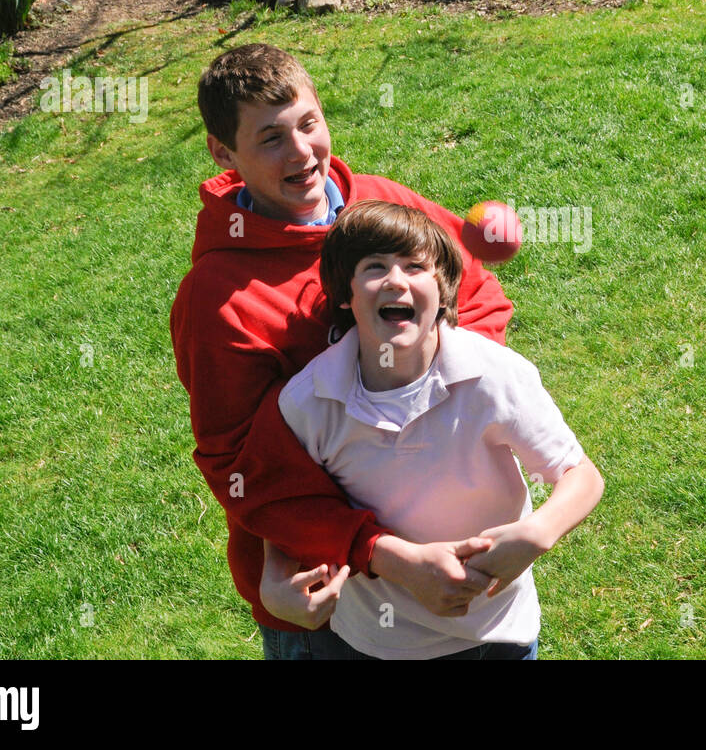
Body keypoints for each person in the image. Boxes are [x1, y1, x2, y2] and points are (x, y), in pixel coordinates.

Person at [169, 43, 514, 658]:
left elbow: (479, 294)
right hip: (326, 594)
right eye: (270, 139)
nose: (303, 154)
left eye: (308, 124)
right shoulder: (218, 301)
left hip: (446, 544)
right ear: (224, 153)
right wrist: (376, 551)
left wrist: (435, 380)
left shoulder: (383, 204)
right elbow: (240, 466)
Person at [277, 200, 604, 659]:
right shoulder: (309, 400)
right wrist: (276, 576)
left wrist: (538, 532)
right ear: (345, 294)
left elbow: (580, 474)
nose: (396, 280)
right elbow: (289, 506)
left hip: (498, 631)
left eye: (415, 266)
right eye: (375, 266)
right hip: (376, 642)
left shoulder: (494, 376)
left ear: (445, 291)